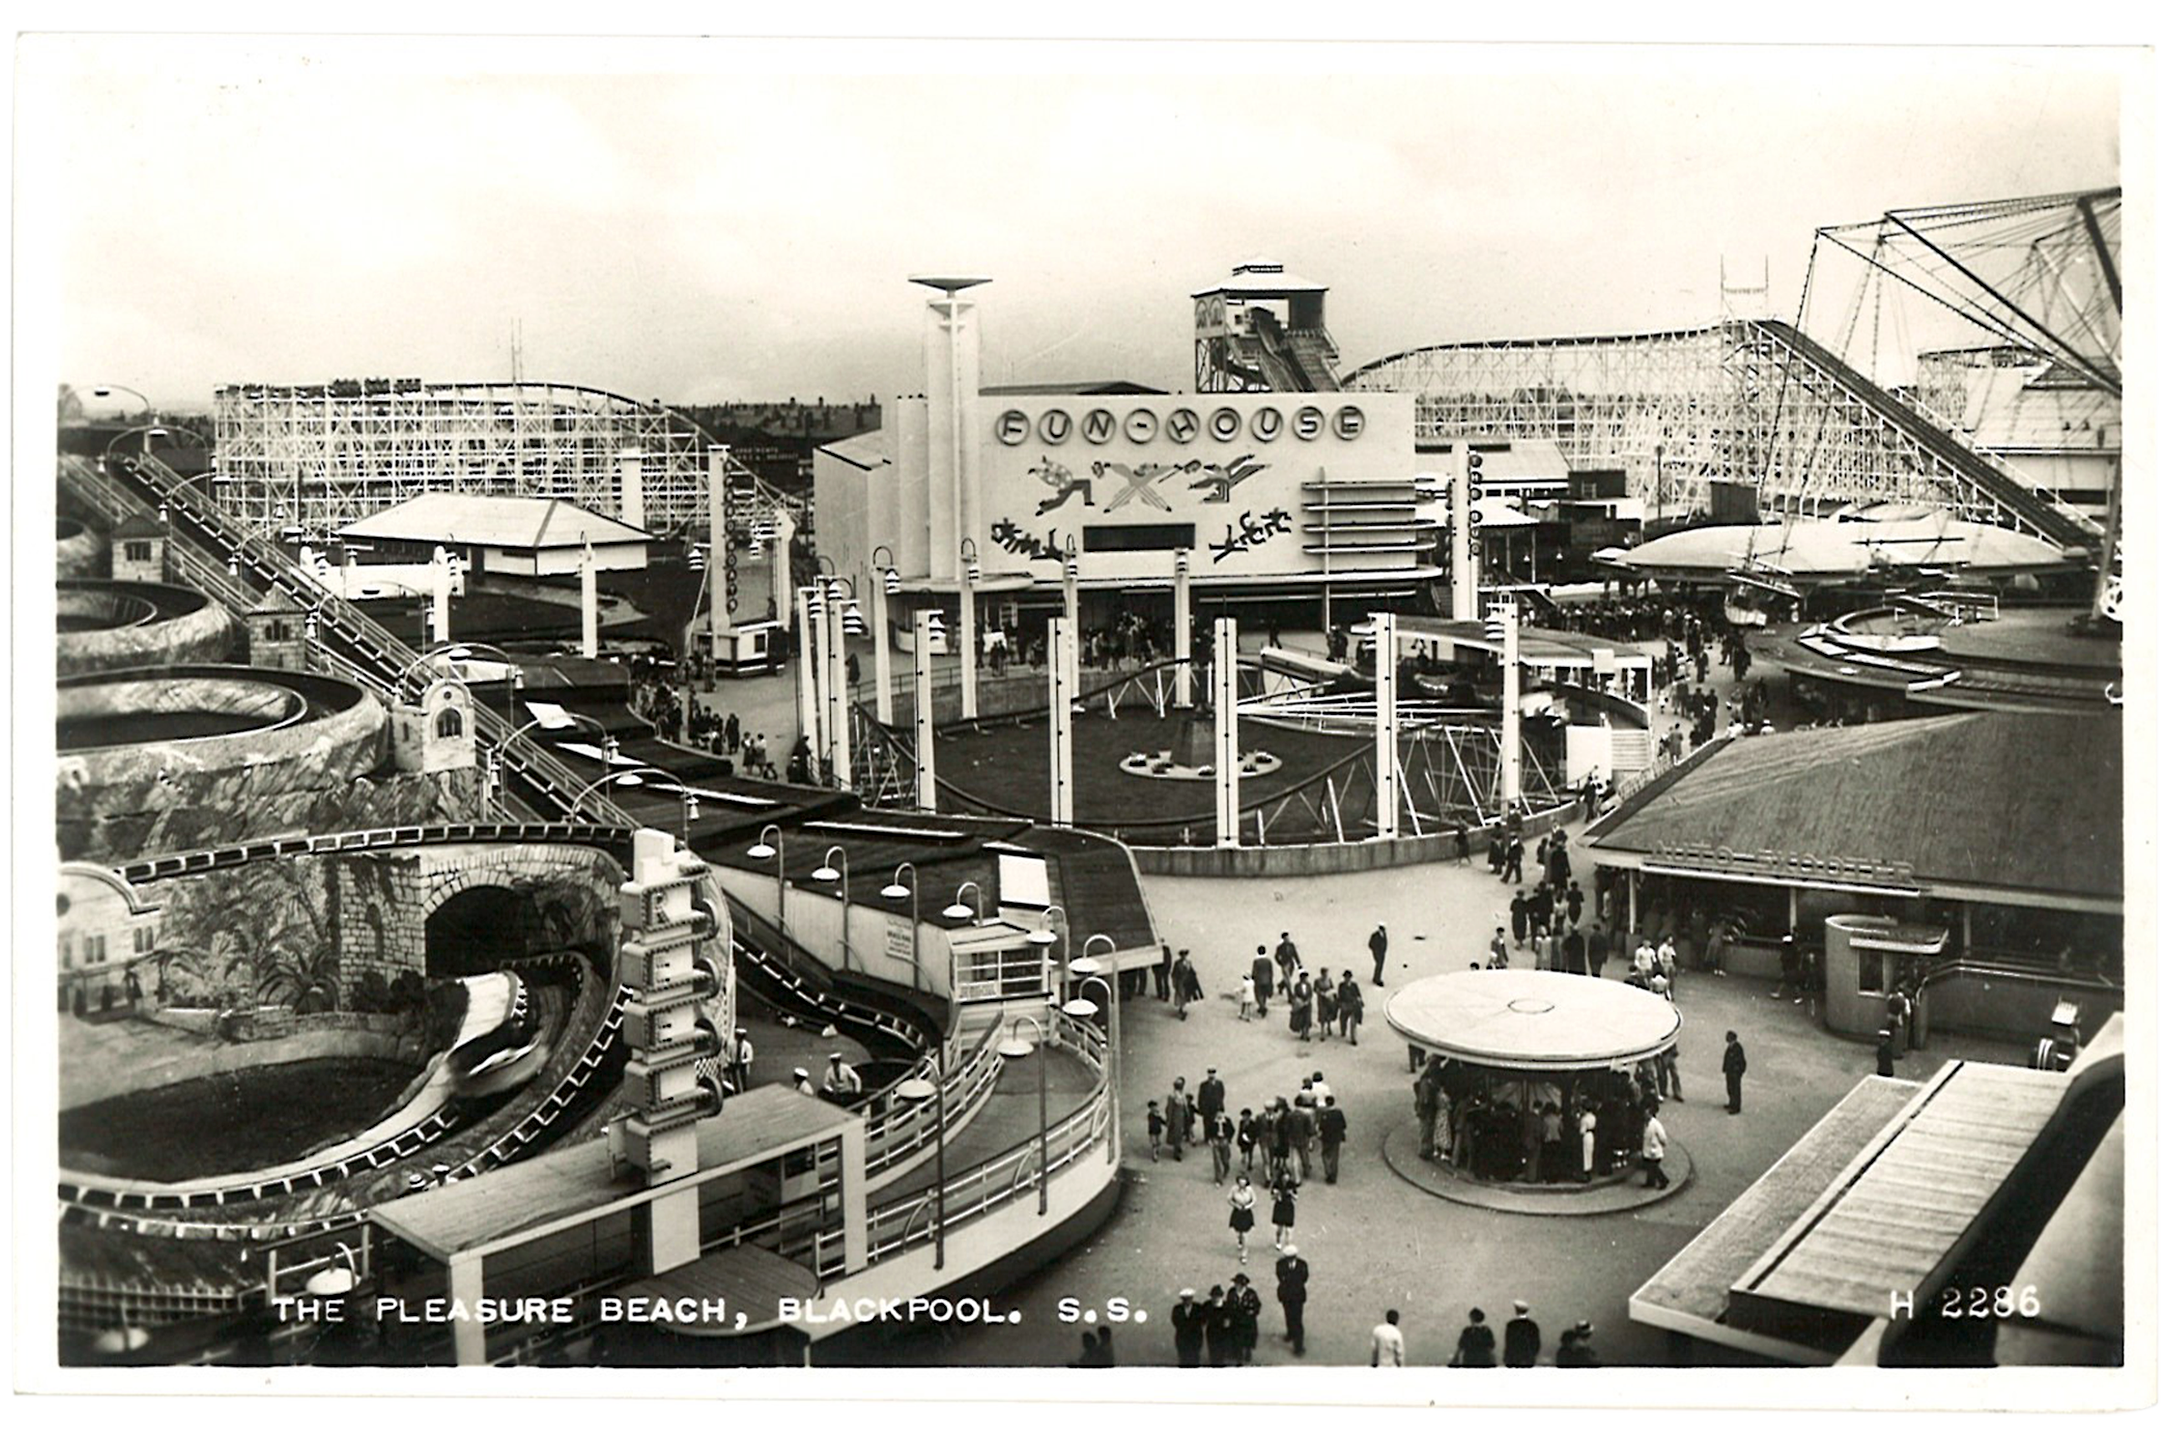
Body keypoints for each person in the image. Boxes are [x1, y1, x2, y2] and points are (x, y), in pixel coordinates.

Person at [1275, 1244, 1310, 1356]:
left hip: (1297, 1296)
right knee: (1288, 1315)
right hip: (1286, 1295)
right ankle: (1290, 1333)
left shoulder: (1302, 1265)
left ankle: (1298, 1346)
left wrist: (1292, 1283)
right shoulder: (1280, 1264)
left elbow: (1304, 1278)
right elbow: (1280, 1277)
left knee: (1297, 1320)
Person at [1230, 1272, 1262, 1364]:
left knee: (1248, 1338)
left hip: (1248, 1321)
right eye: (1236, 1284)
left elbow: (1257, 1305)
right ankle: (1238, 1355)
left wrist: (1253, 1312)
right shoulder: (1232, 1293)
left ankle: (1248, 1351)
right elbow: (1229, 1305)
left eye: (1238, 1284)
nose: (1236, 1286)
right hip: (1236, 1320)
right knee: (1237, 1338)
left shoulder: (1251, 1294)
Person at [1171, 1288, 1206, 1367]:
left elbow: (1203, 1320)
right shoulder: (1177, 1309)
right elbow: (1175, 1321)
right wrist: (1185, 1328)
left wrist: (1193, 1327)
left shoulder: (1198, 1308)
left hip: (1195, 1338)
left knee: (1195, 1358)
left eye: (1189, 1299)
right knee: (1183, 1358)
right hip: (1182, 1338)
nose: (1187, 1301)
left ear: (1192, 1299)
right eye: (1185, 1299)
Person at [1227, 1174, 1258, 1263]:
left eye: (1243, 1181)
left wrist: (1248, 1206)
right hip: (1237, 1212)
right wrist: (1236, 1205)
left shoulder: (1250, 1190)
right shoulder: (1234, 1189)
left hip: (1246, 1213)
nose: (1242, 1183)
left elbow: (1254, 1200)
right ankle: (1240, 1240)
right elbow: (1229, 1199)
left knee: (1245, 1234)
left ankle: (1244, 1254)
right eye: (1240, 1181)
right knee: (1239, 1231)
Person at [1204, 1285, 1237, 1367]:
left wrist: (1229, 1322)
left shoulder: (1227, 1306)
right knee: (1212, 1352)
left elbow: (1232, 1318)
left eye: (1217, 1296)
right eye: (1214, 1296)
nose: (1215, 1298)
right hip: (1211, 1332)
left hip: (1223, 1333)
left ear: (1221, 1296)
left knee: (1222, 1352)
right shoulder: (1207, 1305)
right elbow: (1203, 1318)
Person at [1318, 1094, 1348, 1184]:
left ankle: (1328, 1172)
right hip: (1336, 1138)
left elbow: (1321, 1127)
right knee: (1335, 1156)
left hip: (1326, 1138)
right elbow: (1344, 1125)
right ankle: (1333, 1175)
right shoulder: (1338, 1113)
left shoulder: (1324, 1114)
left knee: (1325, 1154)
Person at [1642, 1100, 1670, 1188]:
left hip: (1655, 1151)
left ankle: (1663, 1180)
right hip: (1648, 1151)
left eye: (1647, 1113)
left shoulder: (1655, 1124)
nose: (1645, 1115)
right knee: (1649, 1167)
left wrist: (1663, 1144)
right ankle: (1650, 1182)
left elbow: (1662, 1137)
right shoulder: (1645, 1124)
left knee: (1653, 1167)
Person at [1503, 1301, 1541, 1366]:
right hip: (1528, 1358)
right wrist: (1532, 1355)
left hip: (1514, 1358)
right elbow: (1536, 1343)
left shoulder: (1511, 1325)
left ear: (1516, 1311)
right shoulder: (1532, 1325)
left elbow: (1509, 1343)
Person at [1270, 1168, 1300, 1247]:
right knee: (1280, 1228)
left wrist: (1291, 1194)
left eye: (1288, 1175)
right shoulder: (1277, 1184)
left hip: (1288, 1206)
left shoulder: (1291, 1184)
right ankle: (1278, 1240)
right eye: (1285, 1176)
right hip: (1280, 1207)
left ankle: (1288, 1244)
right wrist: (1276, 1195)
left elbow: (1296, 1197)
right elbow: (1272, 1197)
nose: (1286, 1177)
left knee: (1289, 1229)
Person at [1723, 1030, 1748, 1114]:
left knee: (1735, 1089)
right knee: (1730, 1088)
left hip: (1735, 1072)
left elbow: (1741, 1061)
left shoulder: (1737, 1048)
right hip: (1730, 1071)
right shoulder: (1730, 1047)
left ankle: (1736, 1107)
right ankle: (1731, 1103)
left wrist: (1738, 1071)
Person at [1165, 1079, 1190, 1160]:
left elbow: (1185, 1107)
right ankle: (1176, 1153)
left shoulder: (1182, 1095)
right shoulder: (1172, 1097)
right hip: (1176, 1119)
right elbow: (1170, 1110)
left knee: (1181, 1133)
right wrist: (1169, 1120)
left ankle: (1178, 1147)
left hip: (1182, 1117)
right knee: (1177, 1135)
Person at [1171, 949, 1200, 1020]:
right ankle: (1181, 1009)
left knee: (1185, 995)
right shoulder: (1177, 963)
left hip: (1186, 982)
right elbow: (1174, 973)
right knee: (1181, 994)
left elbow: (1191, 971)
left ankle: (1182, 1008)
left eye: (1184, 955)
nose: (1183, 957)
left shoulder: (1188, 963)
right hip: (1180, 981)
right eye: (1182, 955)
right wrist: (1174, 982)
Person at [1210, 1110, 1236, 1184]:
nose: (1219, 1115)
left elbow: (1232, 1130)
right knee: (1217, 1160)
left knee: (1225, 1158)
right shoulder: (1212, 1121)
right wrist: (1211, 1139)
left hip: (1224, 1140)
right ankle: (1218, 1178)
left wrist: (1228, 1139)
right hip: (1216, 1140)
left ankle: (1226, 1167)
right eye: (1217, 1113)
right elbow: (1208, 1130)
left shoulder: (1227, 1121)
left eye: (1220, 1113)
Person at [1250, 946, 1274, 1021]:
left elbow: (1254, 972)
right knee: (1264, 994)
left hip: (1259, 980)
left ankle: (1262, 1007)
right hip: (1267, 980)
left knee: (1259, 995)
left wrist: (1252, 978)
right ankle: (1262, 1006)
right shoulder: (1268, 961)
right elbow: (1271, 971)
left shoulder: (1256, 961)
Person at [1338, 974, 1364, 1045]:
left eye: (1348, 977)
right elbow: (1340, 996)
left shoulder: (1354, 985)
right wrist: (1341, 1004)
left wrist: (1358, 1000)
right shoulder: (1341, 986)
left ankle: (1353, 1038)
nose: (1347, 979)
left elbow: (1358, 994)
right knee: (1343, 1020)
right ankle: (1343, 1031)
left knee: (1353, 1023)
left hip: (1353, 1005)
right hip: (1345, 1005)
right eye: (1346, 977)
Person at [1274, 932, 1302, 996]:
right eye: (1286, 938)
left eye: (1288, 938)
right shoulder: (1280, 947)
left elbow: (1295, 954)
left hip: (1291, 964)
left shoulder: (1291, 945)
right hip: (1284, 964)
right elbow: (1276, 956)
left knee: (1288, 977)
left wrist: (1299, 963)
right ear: (1283, 939)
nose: (1287, 939)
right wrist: (1280, 963)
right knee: (1287, 979)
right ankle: (1290, 994)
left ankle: (1281, 985)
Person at [1235, 1107, 1260, 1175]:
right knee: (1243, 1153)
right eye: (1243, 1116)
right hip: (1243, 1141)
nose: (1244, 1117)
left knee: (1250, 1152)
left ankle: (1249, 1163)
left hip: (1250, 1140)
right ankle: (1244, 1165)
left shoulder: (1252, 1123)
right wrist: (1239, 1140)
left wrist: (1254, 1139)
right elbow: (1240, 1132)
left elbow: (1255, 1132)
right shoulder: (1241, 1123)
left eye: (1245, 1116)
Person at [729, 1028, 754, 1093]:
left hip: (743, 1066)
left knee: (743, 1081)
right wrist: (730, 1061)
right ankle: (736, 1091)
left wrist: (742, 1061)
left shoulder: (747, 1046)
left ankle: (744, 1091)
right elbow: (728, 1055)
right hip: (733, 1065)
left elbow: (750, 1058)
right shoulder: (731, 1045)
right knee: (734, 1080)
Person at [1369, 923, 1390, 987]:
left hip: (1382, 953)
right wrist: (1375, 950)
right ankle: (1376, 979)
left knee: (1380, 966)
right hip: (1377, 953)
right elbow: (1370, 944)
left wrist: (1384, 950)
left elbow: (1385, 943)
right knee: (1378, 965)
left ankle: (1377, 978)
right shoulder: (1375, 935)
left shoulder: (1384, 935)